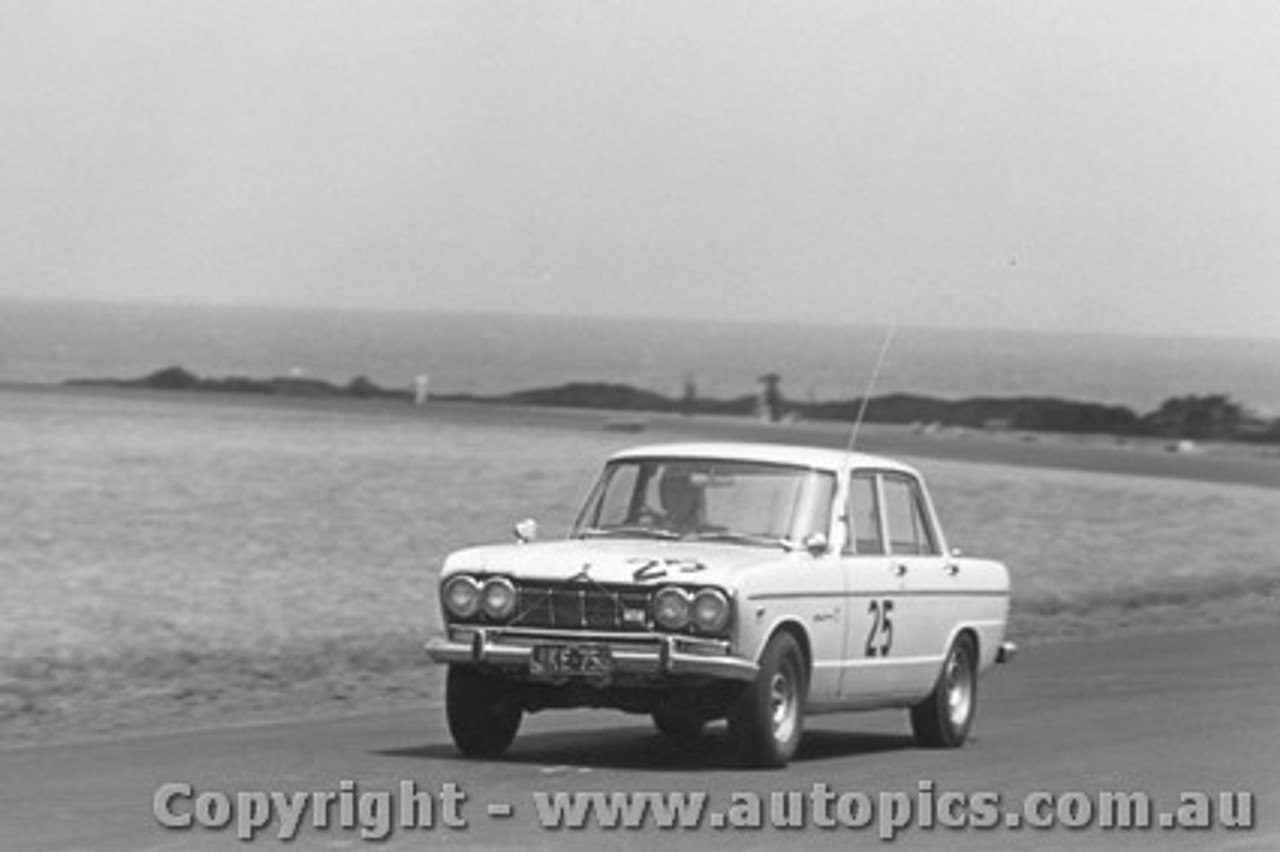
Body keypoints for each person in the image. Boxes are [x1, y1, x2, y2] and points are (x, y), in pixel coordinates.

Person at [656, 469, 703, 534]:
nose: (677, 498)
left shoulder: (706, 535)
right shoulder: (652, 530)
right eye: (672, 491)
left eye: (682, 491)